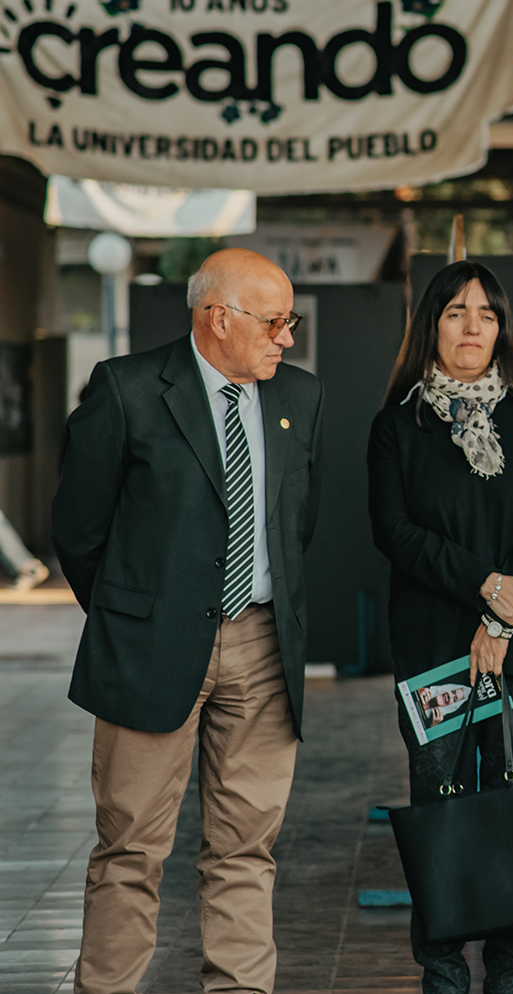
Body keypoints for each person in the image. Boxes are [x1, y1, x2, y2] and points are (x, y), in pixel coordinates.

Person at [54, 248, 323, 994]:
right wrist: (135, 617)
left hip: (263, 647)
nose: (286, 339)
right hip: (151, 648)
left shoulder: (300, 397)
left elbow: (295, 524)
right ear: (218, 318)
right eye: (273, 323)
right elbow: (79, 529)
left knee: (246, 850)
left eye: (288, 322)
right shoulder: (129, 389)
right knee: (131, 849)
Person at [368, 260, 513, 994]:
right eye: (456, 312)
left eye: (486, 314)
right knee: (442, 812)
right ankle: (444, 971)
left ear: (502, 328)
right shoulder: (399, 425)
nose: (472, 326)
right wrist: (486, 587)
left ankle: (512, 973)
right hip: (432, 649)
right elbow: (396, 531)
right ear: (432, 325)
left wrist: (502, 616)